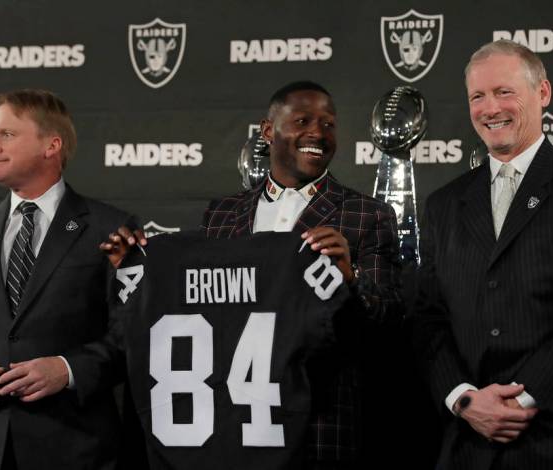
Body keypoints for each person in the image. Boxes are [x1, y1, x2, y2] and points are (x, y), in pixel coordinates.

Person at [103, 81, 404, 468]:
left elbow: (389, 322)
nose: (317, 133)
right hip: (233, 426)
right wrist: (135, 272)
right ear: (267, 131)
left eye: (328, 124)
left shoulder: (366, 214)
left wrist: (350, 279)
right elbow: (193, 307)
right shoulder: (223, 214)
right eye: (302, 120)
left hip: (320, 423)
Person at [413, 39, 553, 469]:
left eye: (504, 92)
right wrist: (464, 398)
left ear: (543, 93)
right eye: (478, 96)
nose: (490, 108)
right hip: (471, 444)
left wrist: (522, 396)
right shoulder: (443, 204)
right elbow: (427, 318)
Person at [0, 89, 133, 470]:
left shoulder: (111, 228)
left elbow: (131, 336)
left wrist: (67, 369)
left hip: (75, 449)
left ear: (52, 145)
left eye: (6, 134)